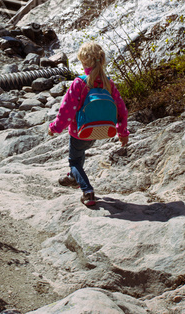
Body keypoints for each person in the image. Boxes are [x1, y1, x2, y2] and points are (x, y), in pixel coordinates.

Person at [48, 42, 129, 207]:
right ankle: (72, 177)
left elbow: (67, 111)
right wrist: (122, 132)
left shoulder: (80, 83)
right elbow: (122, 110)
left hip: (80, 131)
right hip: (102, 130)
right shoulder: (109, 83)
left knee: (75, 161)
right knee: (80, 153)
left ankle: (87, 191)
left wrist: (54, 128)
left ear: (84, 62)